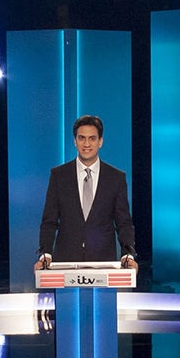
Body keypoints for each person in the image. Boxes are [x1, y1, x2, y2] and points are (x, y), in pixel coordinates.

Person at [35, 115, 136, 270]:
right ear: (75, 141)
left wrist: (127, 254)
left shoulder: (116, 178)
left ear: (100, 141)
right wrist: (45, 254)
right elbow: (49, 221)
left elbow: (123, 222)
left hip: (103, 262)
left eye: (92, 138)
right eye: (81, 138)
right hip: (66, 260)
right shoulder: (58, 176)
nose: (86, 144)